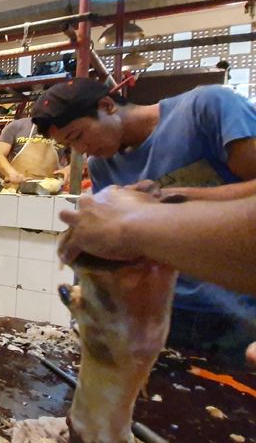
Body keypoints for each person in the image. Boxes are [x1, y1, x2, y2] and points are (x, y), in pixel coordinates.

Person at [31, 77, 256, 365]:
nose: (82, 150)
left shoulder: (206, 108)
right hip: (163, 314)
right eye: (70, 145)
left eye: (78, 135)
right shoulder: (103, 165)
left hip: (237, 310)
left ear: (107, 106)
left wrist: (164, 201)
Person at [0, 112, 65, 183]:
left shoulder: (65, 130)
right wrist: (11, 173)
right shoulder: (16, 126)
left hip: (51, 190)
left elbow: (73, 159)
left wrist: (69, 169)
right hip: (17, 189)